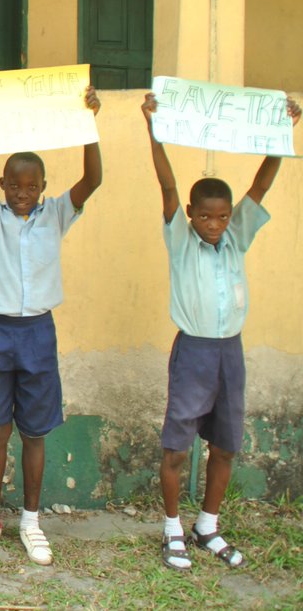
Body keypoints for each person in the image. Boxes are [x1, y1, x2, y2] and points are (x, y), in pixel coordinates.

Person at [0, 86, 103, 566]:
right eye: (14, 185)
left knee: (35, 432)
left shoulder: (56, 214)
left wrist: (89, 122)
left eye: (31, 187)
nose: (22, 194)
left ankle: (30, 521)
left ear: (43, 187)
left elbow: (93, 178)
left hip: (37, 334)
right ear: (3, 183)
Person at [142, 92, 300, 571]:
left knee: (226, 444)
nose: (214, 224)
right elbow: (167, 185)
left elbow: (261, 185)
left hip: (230, 350)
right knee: (177, 446)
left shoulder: (235, 238)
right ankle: (173, 527)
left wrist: (282, 134)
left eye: (222, 216)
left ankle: (207, 526)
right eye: (205, 216)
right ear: (191, 213)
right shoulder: (181, 239)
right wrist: (153, 129)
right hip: (193, 351)